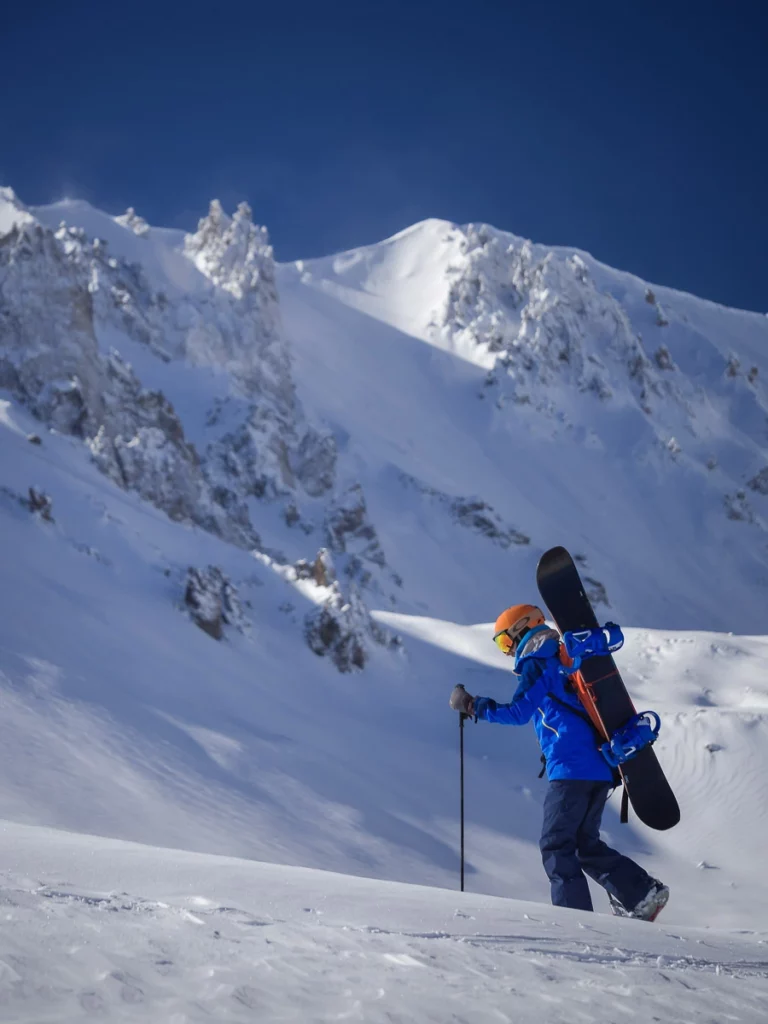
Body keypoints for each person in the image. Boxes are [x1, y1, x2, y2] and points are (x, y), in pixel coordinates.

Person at [450, 603, 669, 920]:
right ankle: (642, 894)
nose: (507, 651)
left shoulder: (537, 662)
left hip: (571, 768)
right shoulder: (562, 657)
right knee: (583, 845)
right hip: (600, 767)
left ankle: (573, 920)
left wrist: (472, 705)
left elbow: (518, 712)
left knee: (555, 845)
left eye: (505, 642)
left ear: (522, 628)